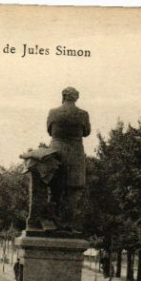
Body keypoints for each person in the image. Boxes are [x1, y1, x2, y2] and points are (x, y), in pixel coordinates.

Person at [46, 86, 91, 229]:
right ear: (76, 97)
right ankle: (67, 222)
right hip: (75, 153)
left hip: (56, 151)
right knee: (74, 188)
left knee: (54, 188)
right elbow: (86, 132)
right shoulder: (83, 114)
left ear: (63, 96)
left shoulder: (53, 112)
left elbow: (49, 131)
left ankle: (52, 220)